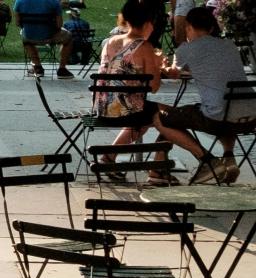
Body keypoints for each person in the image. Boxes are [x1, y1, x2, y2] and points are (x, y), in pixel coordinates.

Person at [154, 6, 256, 184]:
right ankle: (229, 158)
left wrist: (162, 66)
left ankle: (207, 161)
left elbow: (174, 75)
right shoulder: (229, 45)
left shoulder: (186, 49)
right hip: (251, 113)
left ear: (189, 27)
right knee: (224, 107)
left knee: (164, 118)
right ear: (211, 28)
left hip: (216, 117)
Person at [95, 0, 166, 183]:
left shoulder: (110, 41)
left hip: (102, 105)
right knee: (173, 116)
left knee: (144, 118)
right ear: (149, 23)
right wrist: (158, 66)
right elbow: (154, 87)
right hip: (126, 110)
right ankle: (158, 169)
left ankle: (109, 157)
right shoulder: (144, 47)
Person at [14, 0, 75, 77]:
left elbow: (17, 23)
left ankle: (37, 67)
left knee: (24, 35)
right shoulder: (54, 2)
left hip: (29, 37)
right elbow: (59, 25)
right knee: (69, 37)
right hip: (50, 37)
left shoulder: (19, 1)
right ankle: (62, 69)